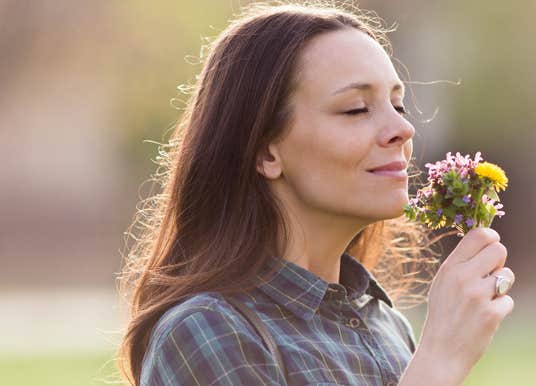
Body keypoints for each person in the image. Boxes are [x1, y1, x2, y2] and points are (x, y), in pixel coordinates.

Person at [117, 2, 515, 385]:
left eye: (398, 105)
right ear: (266, 151)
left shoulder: (385, 325)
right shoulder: (210, 332)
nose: (403, 129)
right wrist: (439, 361)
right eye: (357, 109)